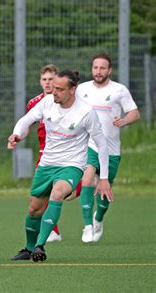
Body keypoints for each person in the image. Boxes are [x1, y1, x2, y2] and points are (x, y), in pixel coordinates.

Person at [9, 70, 112, 262]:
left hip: (72, 165)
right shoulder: (47, 102)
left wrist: (104, 178)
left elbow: (102, 144)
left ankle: (40, 246)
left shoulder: (86, 112)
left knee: (57, 193)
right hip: (47, 164)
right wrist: (16, 134)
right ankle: (29, 248)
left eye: (59, 89)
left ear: (72, 90)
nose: (54, 92)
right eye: (53, 87)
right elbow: (26, 120)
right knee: (34, 210)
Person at [76, 53, 140, 243]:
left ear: (109, 70)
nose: (98, 71)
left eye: (102, 68)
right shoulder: (82, 89)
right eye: (95, 67)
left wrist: (124, 121)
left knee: (104, 189)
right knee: (87, 180)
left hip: (111, 149)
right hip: (89, 144)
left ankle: (98, 218)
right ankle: (87, 226)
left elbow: (135, 113)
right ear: (92, 69)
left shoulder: (119, 90)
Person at [26, 64, 65, 242]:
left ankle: (84, 187)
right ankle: (53, 231)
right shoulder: (34, 103)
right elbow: (27, 125)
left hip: (68, 153)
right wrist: (18, 135)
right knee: (41, 195)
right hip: (45, 153)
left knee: (61, 191)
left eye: (51, 79)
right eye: (44, 80)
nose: (48, 83)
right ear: (40, 81)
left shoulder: (66, 100)